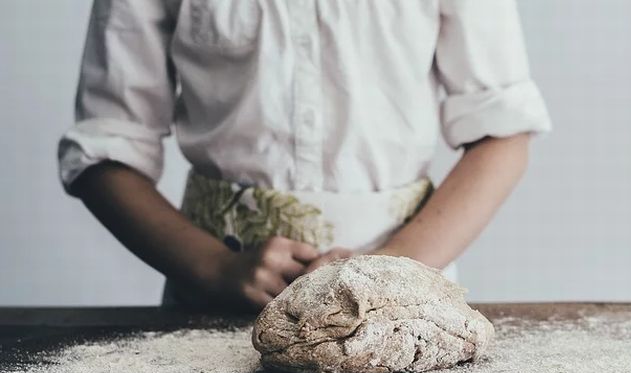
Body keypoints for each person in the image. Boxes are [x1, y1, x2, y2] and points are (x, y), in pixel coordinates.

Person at [58, 0, 551, 311]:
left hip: (404, 299)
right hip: (213, 300)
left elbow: (502, 134)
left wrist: (390, 270)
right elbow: (105, 149)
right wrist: (214, 268)